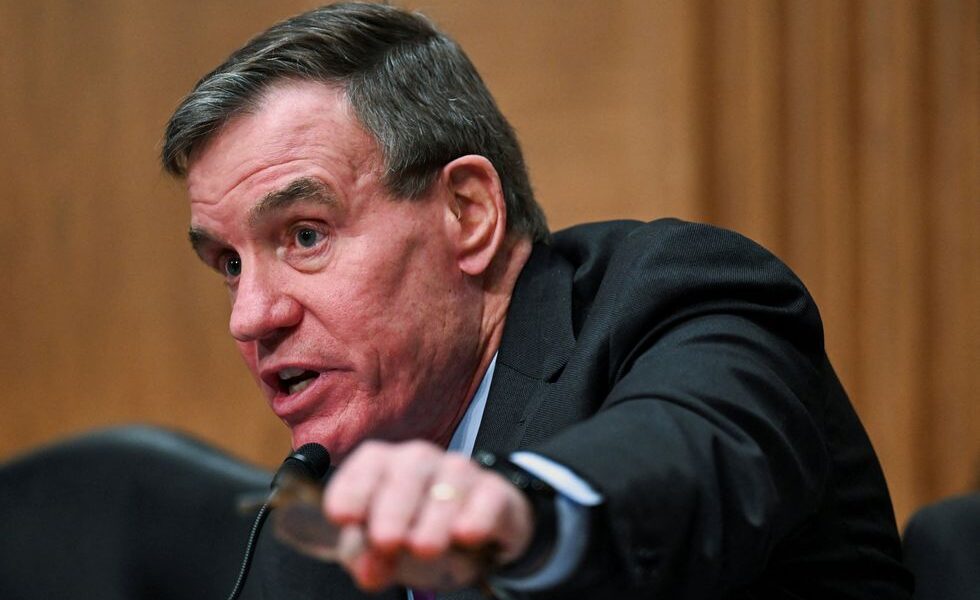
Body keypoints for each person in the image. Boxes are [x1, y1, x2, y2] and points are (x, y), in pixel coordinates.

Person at [161, 3, 912, 599]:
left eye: (305, 235)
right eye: (229, 263)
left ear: (468, 213)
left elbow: (690, 459)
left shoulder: (673, 296)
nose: (250, 317)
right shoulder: (315, 525)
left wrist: (520, 513)